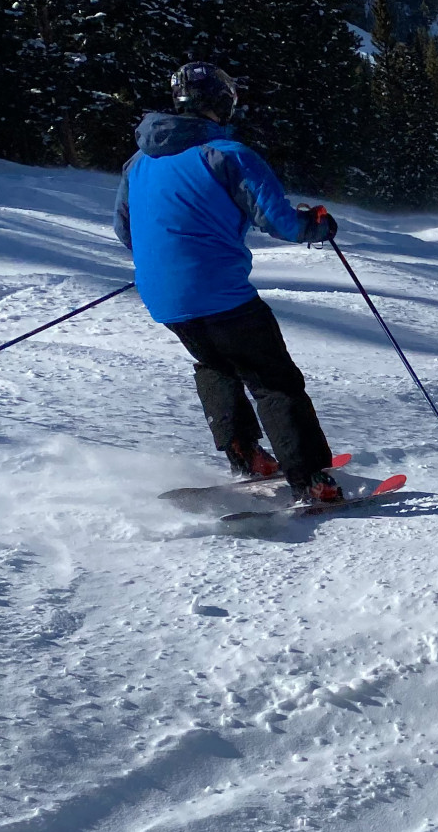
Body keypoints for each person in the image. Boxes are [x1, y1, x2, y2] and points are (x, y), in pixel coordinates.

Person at [114, 62, 344, 504]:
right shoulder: (228, 155)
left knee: (216, 364)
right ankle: (311, 478)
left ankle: (245, 454)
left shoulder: (137, 163)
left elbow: (127, 233)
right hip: (220, 290)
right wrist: (319, 225)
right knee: (274, 380)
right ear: (222, 103)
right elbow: (282, 223)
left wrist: (170, 257)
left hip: (164, 297)